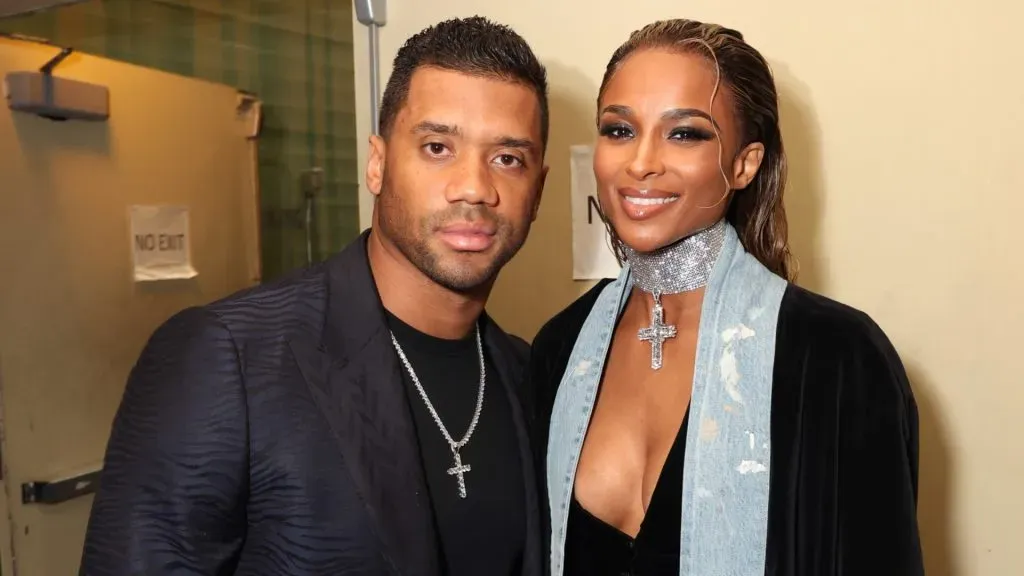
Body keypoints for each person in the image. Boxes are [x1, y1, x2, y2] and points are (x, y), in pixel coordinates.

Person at [80, 16, 549, 576]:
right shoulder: (227, 357)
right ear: (377, 164)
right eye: (437, 147)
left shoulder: (530, 375)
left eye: (507, 159)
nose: (473, 187)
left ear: (537, 190)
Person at [529, 19, 924, 576]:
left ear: (745, 163)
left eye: (684, 134)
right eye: (619, 130)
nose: (640, 162)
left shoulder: (838, 359)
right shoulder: (559, 349)